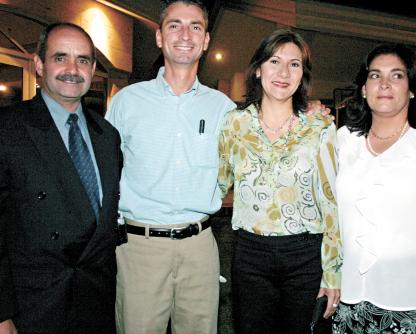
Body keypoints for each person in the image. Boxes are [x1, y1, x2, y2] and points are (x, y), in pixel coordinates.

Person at [105, 1, 236, 333]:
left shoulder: (223, 109)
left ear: (206, 40)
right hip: (140, 248)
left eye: (195, 26)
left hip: (200, 247)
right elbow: (104, 174)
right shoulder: (126, 102)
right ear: (159, 37)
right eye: (174, 25)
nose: (185, 34)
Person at [333, 43, 416, 334]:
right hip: (353, 303)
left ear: (411, 88)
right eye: (374, 75)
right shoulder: (345, 140)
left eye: (396, 76)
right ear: (362, 89)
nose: (384, 84)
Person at [0, 22, 122, 334]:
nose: (72, 69)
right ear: (39, 64)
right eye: (60, 57)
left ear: (93, 69)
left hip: (95, 301)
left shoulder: (107, 136)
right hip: (34, 305)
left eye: (82, 60)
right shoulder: (8, 129)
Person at [218, 29, 342, 334]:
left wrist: (333, 273)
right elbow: (217, 183)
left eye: (294, 64)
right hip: (250, 255)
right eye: (274, 61)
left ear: (303, 74)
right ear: (258, 69)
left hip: (305, 256)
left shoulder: (320, 125)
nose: (283, 72)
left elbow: (331, 201)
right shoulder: (235, 123)